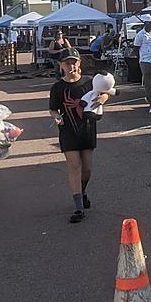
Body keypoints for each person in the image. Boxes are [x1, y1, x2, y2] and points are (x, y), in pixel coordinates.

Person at [49, 48, 111, 223]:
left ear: (79, 63)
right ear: (61, 65)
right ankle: (78, 207)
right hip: (68, 131)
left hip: (87, 129)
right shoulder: (58, 87)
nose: (71, 66)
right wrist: (57, 117)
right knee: (74, 166)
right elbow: (53, 109)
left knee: (87, 169)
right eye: (67, 63)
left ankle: (82, 192)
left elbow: (106, 90)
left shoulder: (89, 83)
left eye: (74, 62)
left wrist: (104, 98)